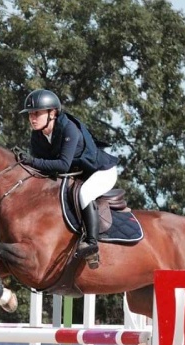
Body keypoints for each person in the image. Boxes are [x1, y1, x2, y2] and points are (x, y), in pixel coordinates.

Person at [17, 89, 118, 268]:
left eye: (37, 113)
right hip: (77, 174)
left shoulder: (69, 129)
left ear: (52, 113)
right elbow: (42, 170)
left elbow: (62, 165)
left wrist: (31, 161)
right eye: (30, 114)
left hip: (101, 172)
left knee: (84, 194)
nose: (32, 118)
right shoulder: (37, 135)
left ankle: (91, 243)